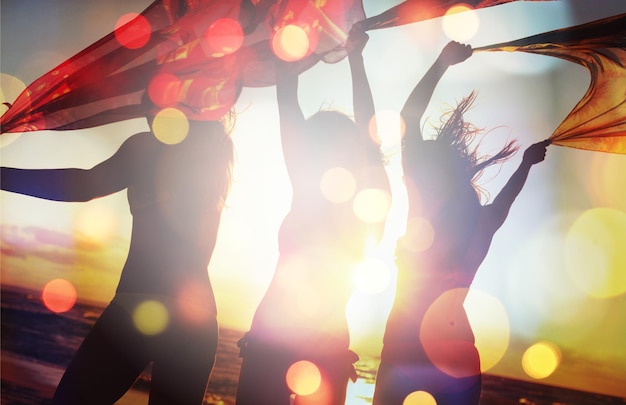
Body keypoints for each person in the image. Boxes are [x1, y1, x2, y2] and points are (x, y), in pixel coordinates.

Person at [1, 116, 234, 404]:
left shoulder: (149, 146)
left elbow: (82, 186)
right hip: (198, 321)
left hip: (140, 304)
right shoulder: (212, 156)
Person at [372, 41, 550, 405]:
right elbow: (505, 200)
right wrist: (525, 165)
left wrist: (441, 62)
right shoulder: (476, 227)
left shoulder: (427, 213)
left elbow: (409, 117)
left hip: (408, 351)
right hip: (453, 360)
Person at [235, 26, 390, 405]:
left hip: (288, 340)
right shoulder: (360, 203)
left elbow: (290, 99)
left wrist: (291, 40)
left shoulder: (355, 201)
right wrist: (353, 57)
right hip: (288, 340)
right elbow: (290, 101)